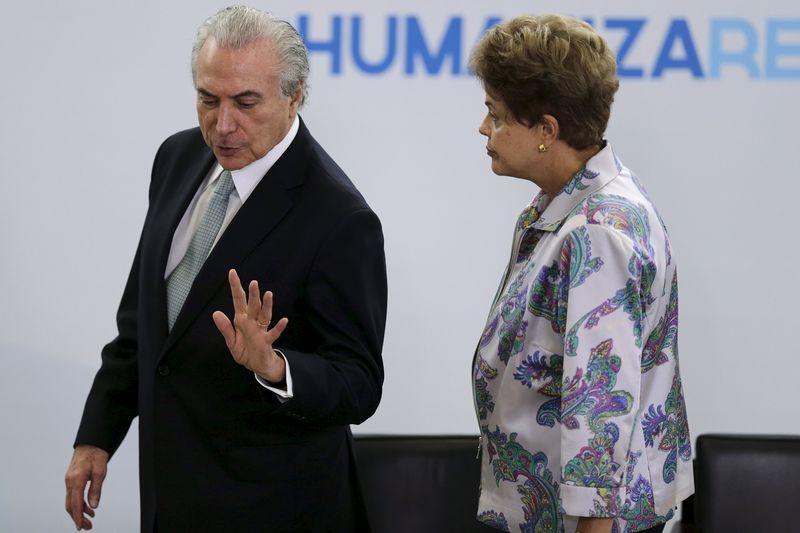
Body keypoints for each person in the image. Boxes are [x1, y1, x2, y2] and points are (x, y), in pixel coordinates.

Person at [64, 6, 387, 532]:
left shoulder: (340, 217)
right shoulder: (177, 157)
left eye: (246, 102)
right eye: (208, 99)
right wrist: (95, 435)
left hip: (273, 510)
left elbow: (359, 383)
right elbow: (144, 327)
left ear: (295, 95)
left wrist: (275, 366)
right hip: (172, 499)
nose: (223, 124)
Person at [468, 15, 693, 533]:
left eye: (496, 115)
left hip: (578, 522)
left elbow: (600, 404)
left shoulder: (597, 231)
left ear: (547, 130)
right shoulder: (574, 204)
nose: (485, 129)